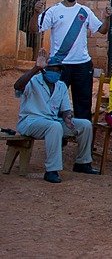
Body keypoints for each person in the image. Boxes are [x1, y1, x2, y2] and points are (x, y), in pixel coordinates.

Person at [29, 0, 111, 119]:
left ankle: (83, 135)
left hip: (82, 64)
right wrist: (36, 13)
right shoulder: (53, 11)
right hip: (59, 64)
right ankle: (59, 136)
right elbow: (34, 29)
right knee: (56, 101)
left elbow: (102, 30)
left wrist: (108, 18)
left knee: (83, 102)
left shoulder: (85, 11)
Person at [14, 49, 98, 183]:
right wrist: (36, 68)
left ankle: (83, 162)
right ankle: (51, 170)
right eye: (53, 69)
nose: (57, 73)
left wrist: (68, 118)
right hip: (31, 121)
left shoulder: (61, 86)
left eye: (59, 70)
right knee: (55, 126)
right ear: (45, 70)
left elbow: (65, 110)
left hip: (52, 121)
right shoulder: (34, 81)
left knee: (85, 125)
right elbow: (18, 86)